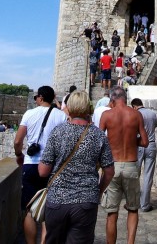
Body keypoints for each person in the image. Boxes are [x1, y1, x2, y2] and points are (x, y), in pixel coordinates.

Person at [38, 90, 114, 244]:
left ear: (69, 107)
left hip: (57, 199)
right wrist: (98, 191)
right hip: (86, 200)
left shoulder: (57, 132)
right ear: (88, 108)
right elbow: (109, 171)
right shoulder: (99, 135)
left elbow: (43, 171)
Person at [14, 85, 67, 244]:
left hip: (31, 165)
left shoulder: (29, 114)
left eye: (36, 96)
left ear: (41, 98)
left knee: (30, 210)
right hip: (53, 166)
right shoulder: (61, 116)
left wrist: (18, 155)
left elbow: (18, 141)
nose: (35, 98)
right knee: (49, 209)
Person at [99, 86, 148, 244]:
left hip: (112, 166)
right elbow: (145, 142)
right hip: (131, 165)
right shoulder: (136, 114)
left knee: (112, 213)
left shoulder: (106, 115)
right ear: (125, 99)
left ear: (112, 100)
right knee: (133, 209)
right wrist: (132, 141)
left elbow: (99, 142)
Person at [131, 98, 157, 212]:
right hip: (151, 144)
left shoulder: (135, 114)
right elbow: (154, 127)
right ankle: (145, 204)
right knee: (148, 175)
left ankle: (133, 202)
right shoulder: (152, 113)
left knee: (134, 174)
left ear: (134, 106)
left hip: (139, 144)